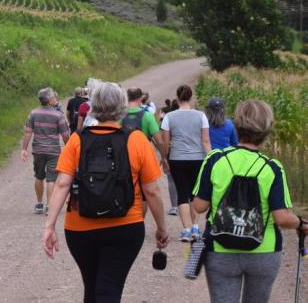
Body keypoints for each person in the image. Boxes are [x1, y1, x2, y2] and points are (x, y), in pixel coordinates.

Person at [43, 82, 169, 303]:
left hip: (80, 228)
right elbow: (152, 190)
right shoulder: (136, 139)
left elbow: (62, 184)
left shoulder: (77, 139)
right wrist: (161, 228)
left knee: (92, 288)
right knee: (109, 288)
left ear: (93, 106)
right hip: (125, 227)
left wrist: (50, 226)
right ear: (121, 106)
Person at [192, 100, 308, 303]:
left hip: (220, 249)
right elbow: (282, 218)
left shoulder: (215, 159)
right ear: (267, 130)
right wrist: (301, 223)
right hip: (263, 251)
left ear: (236, 126)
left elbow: (199, 207)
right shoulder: (273, 167)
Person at [160, 85, 211, 241]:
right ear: (191, 97)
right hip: (198, 159)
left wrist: (164, 158)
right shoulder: (201, 116)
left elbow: (165, 141)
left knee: (182, 194)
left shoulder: (169, 117)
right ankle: (196, 228)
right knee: (195, 194)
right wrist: (211, 158)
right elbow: (205, 140)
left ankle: (186, 230)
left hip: (177, 159)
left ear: (177, 97)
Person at [21, 87, 71, 214]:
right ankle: (49, 206)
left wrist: (24, 149)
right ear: (49, 100)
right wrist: (69, 148)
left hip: (38, 150)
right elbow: (65, 134)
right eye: (53, 97)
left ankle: (39, 204)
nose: (55, 99)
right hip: (53, 151)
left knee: (38, 176)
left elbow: (28, 133)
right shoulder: (58, 115)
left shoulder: (33, 113)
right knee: (51, 179)